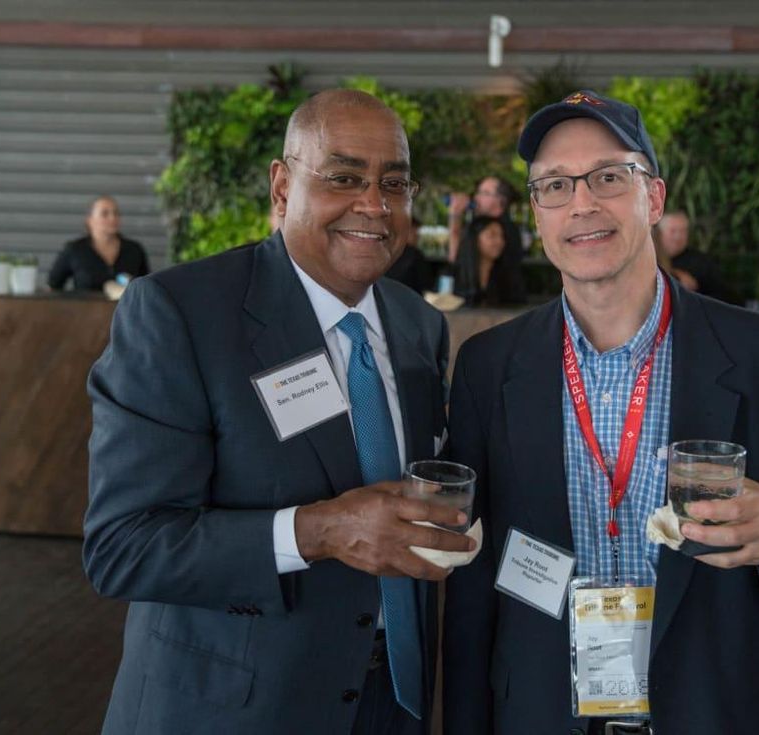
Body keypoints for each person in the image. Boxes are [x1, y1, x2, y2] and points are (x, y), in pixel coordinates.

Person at [443, 91, 759, 735]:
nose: (582, 203)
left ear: (655, 197)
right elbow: (474, 590)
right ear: (536, 213)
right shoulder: (487, 366)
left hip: (715, 709)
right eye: (555, 185)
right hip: (539, 711)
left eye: (609, 177)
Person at [83, 89, 474, 735]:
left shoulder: (418, 325)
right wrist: (319, 530)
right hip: (234, 708)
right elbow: (124, 547)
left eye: (394, 183)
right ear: (282, 185)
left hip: (392, 699)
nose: (374, 205)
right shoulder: (181, 313)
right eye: (344, 177)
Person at [48, 195, 149, 291]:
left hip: (125, 309)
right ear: (90, 220)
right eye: (105, 214)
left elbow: (146, 287)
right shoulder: (74, 250)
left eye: (116, 213)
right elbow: (53, 286)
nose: (112, 218)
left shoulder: (134, 250)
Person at [655, 210, 732, 302]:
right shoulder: (649, 258)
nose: (678, 237)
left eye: (683, 231)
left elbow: (724, 295)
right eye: (673, 231)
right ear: (659, 233)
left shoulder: (701, 262)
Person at [453, 215, 527, 306]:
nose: (499, 241)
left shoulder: (509, 276)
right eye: (492, 235)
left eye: (502, 236)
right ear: (475, 239)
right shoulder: (452, 275)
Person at [385, 215, 432, 294]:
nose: (417, 236)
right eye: (415, 232)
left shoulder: (385, 251)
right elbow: (426, 284)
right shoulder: (415, 255)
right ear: (406, 231)